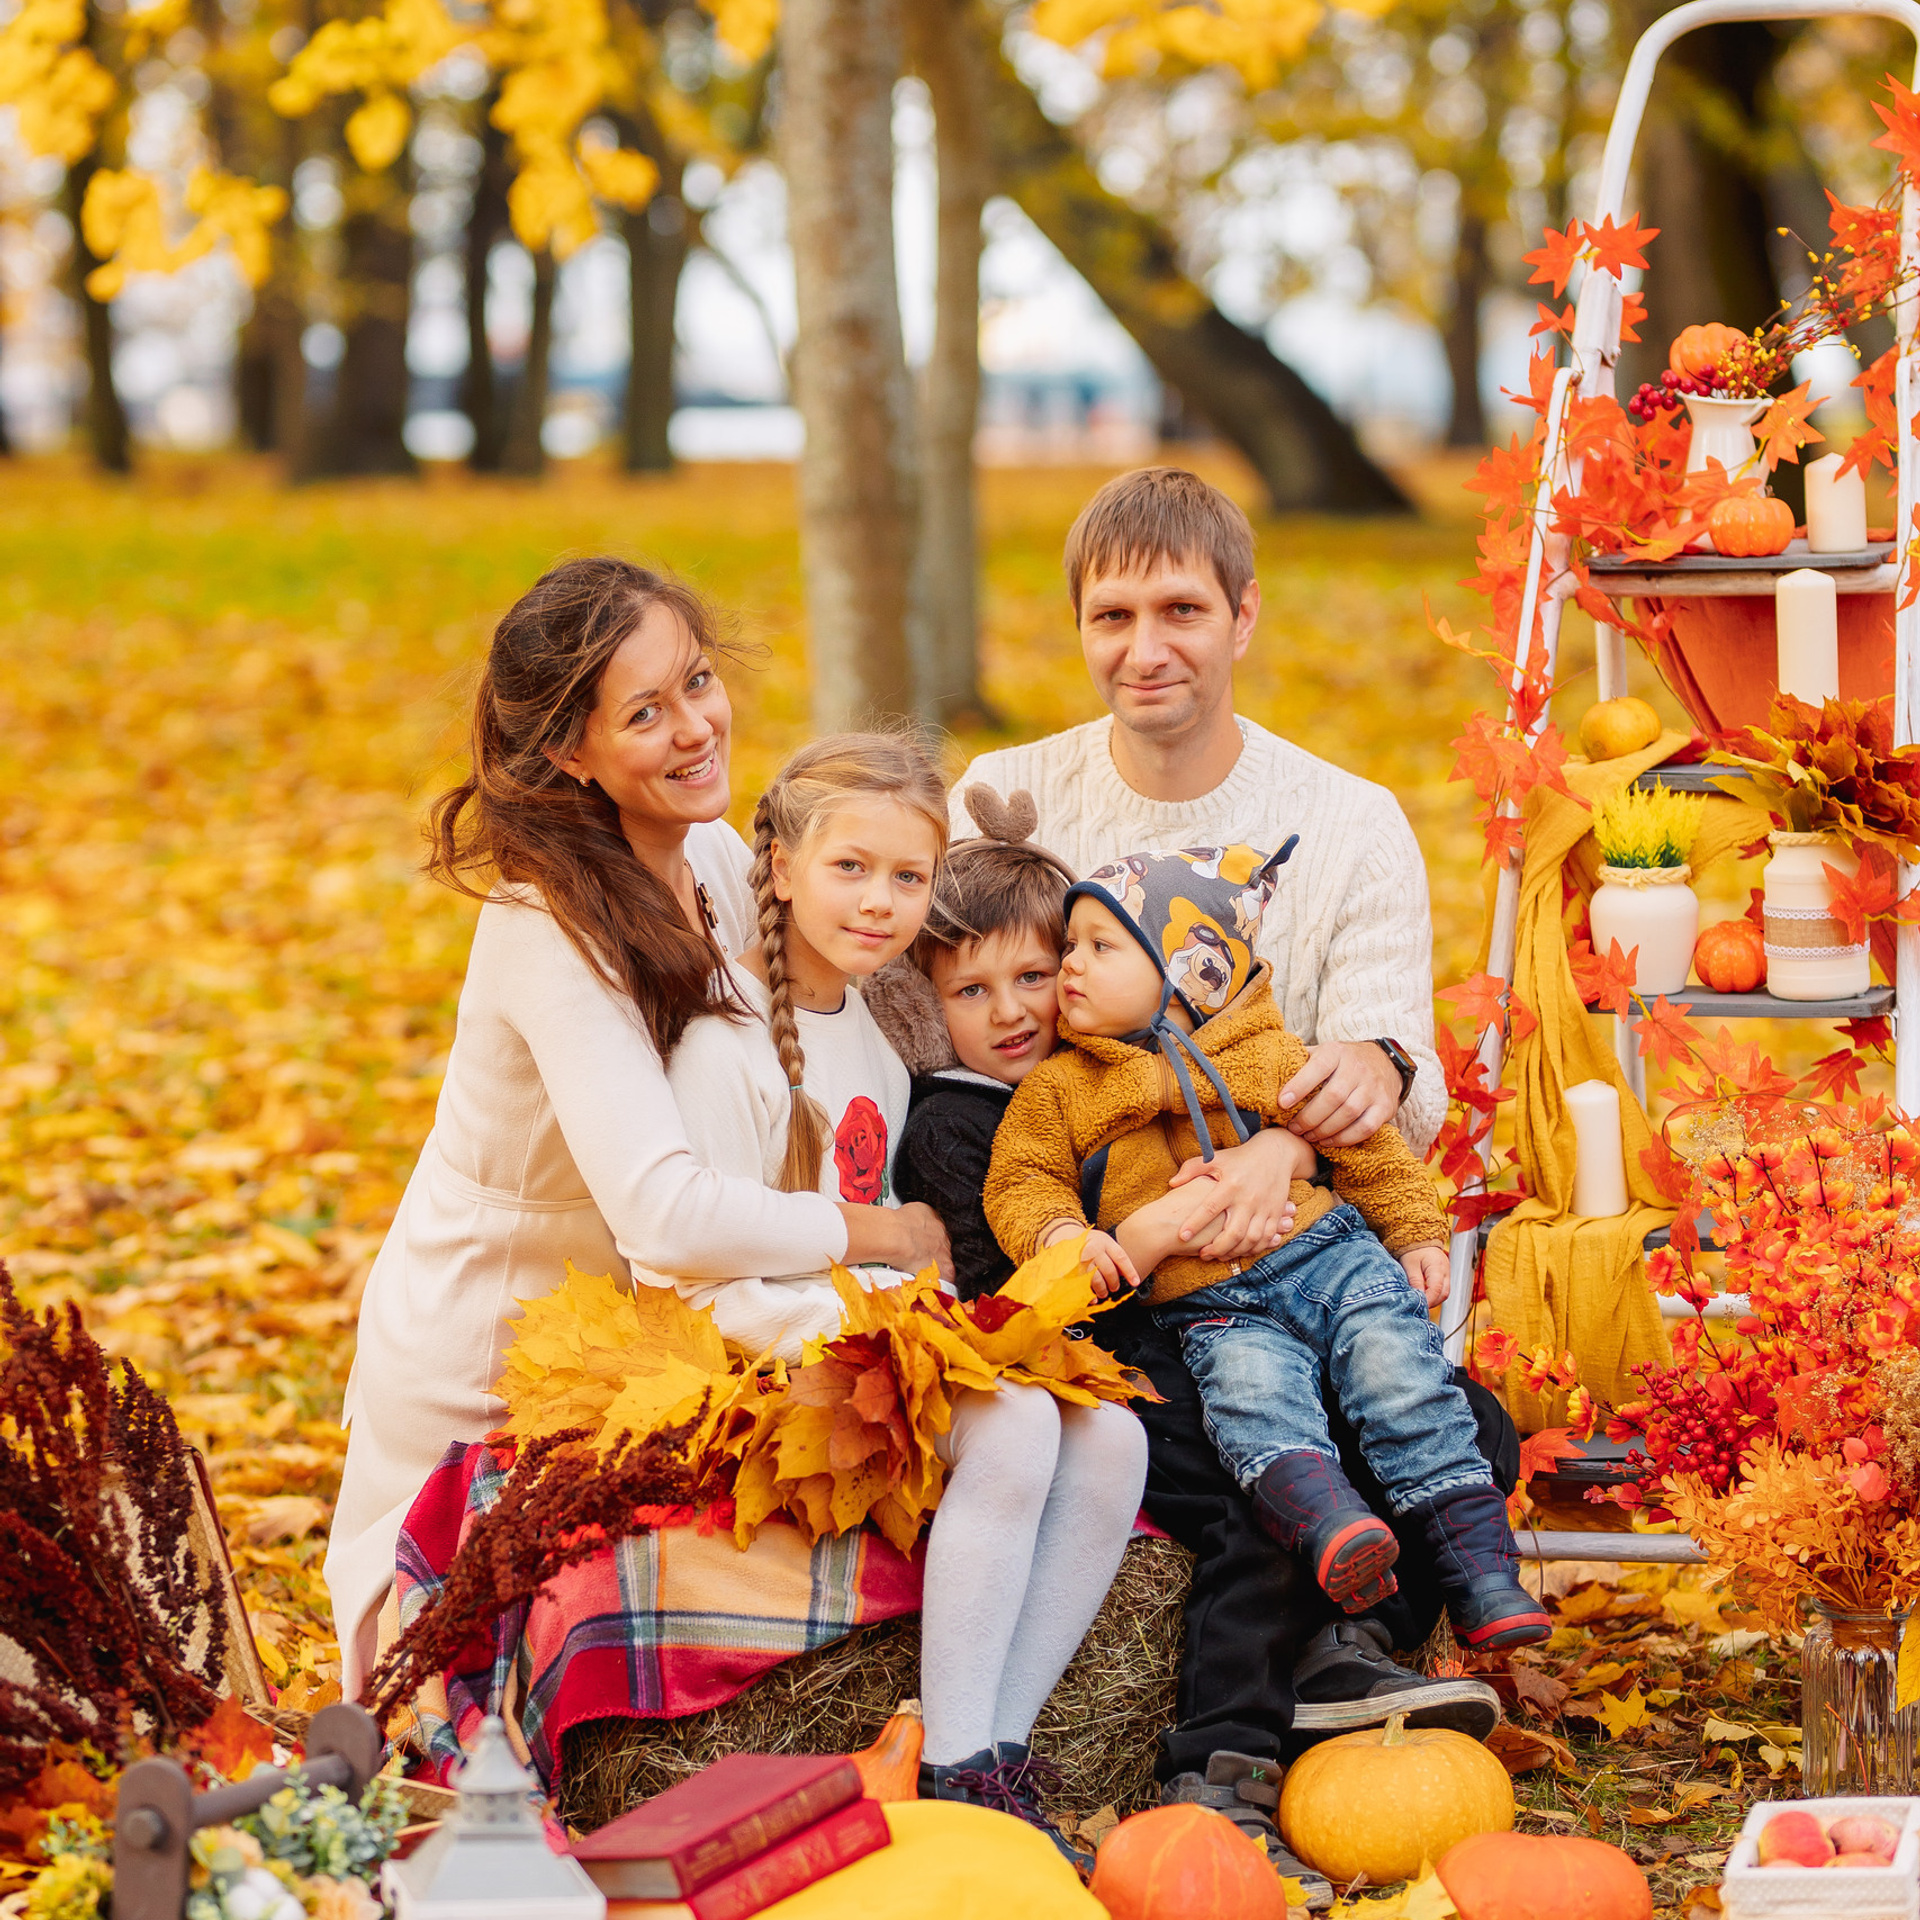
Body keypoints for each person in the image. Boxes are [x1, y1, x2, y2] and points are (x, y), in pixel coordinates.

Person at [947, 466, 1512, 1891]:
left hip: (1301, 1231)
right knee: (1231, 1442)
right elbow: (977, 1045)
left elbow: (1401, 1068)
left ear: (1244, 615)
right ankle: (1240, 1754)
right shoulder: (1014, 804)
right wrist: (1125, 1224)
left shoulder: (1352, 817)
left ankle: (1347, 1651)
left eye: (1183, 609)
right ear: (1078, 626)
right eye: (1114, 612)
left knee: (1467, 1431)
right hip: (1114, 1246)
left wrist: (1308, 1123)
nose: (1149, 646)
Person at [325, 560, 950, 1697]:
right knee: (445, 1684)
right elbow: (662, 1204)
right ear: (572, 750)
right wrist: (877, 1232)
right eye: (645, 713)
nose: (696, 728)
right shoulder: (544, 920)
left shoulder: (712, 856)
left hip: (652, 1319)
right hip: (497, 1329)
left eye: (698, 682)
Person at [660, 733, 1148, 1870]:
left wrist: (910, 1309)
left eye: (907, 879)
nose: (881, 903)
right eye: (851, 869)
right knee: (1018, 1421)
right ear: (776, 866)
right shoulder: (724, 1042)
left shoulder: (876, 1045)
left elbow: (888, 1232)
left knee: (1113, 1437)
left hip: (868, 1333)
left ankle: (996, 1750)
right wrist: (876, 1319)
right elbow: (698, 1278)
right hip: (753, 1356)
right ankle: (954, 1769)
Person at [981, 844, 1549, 1648]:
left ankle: (1482, 1576)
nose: (1068, 965)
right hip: (1209, 1304)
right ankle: (1330, 1529)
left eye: (1099, 948)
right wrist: (1062, 1233)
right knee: (1252, 1402)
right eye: (1070, 945)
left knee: (1400, 1380)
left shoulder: (1271, 1057)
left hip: (1329, 1260)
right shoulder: (1062, 1088)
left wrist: (1415, 1231)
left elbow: (1368, 1149)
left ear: (1185, 974)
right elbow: (1022, 1179)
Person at [878, 785, 1301, 1301]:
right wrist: (1147, 1237)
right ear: (923, 1009)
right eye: (971, 989)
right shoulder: (947, 1130)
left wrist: (1285, 1149)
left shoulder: (1119, 1065)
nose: (1009, 1012)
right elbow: (1006, 1305)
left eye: (1033, 976)